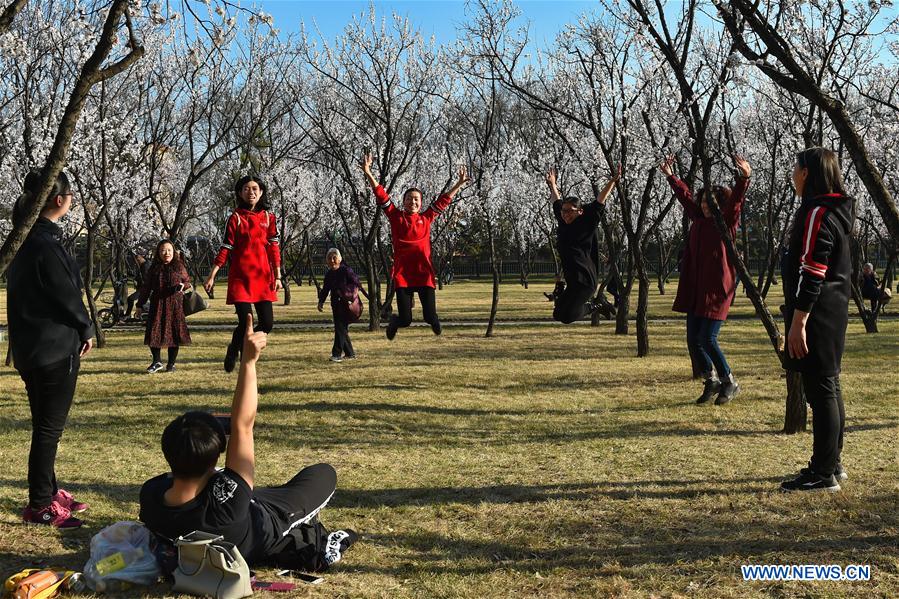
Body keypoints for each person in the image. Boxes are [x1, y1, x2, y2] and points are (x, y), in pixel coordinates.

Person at [139, 314, 356, 568]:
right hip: (268, 523)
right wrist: (249, 362)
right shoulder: (230, 502)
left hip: (243, 509)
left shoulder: (151, 496)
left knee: (260, 492)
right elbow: (243, 424)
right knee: (323, 473)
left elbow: (239, 427)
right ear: (215, 455)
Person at [7, 171, 94, 528]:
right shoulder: (45, 243)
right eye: (70, 194)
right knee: (48, 429)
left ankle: (49, 489)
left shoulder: (27, 238)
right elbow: (66, 295)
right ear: (59, 200)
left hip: (32, 347)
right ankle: (40, 504)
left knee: (45, 424)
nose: (72, 199)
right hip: (52, 349)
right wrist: (86, 327)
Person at [780, 147, 853, 492]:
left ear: (806, 172)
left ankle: (823, 471)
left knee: (820, 389)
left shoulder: (817, 214)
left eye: (795, 168)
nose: (792, 174)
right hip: (833, 311)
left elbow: (812, 270)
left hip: (817, 313)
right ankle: (832, 463)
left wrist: (799, 321)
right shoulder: (836, 211)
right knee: (829, 384)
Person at [660, 154, 751, 405]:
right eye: (703, 204)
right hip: (696, 289)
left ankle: (729, 380)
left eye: (710, 204)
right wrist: (671, 176)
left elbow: (736, 203)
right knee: (693, 340)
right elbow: (686, 199)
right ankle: (711, 380)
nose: (704, 207)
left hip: (718, 289)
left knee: (707, 339)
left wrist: (744, 178)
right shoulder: (698, 221)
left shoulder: (726, 223)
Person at [359, 153, 469, 340]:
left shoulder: (426, 218)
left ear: (421, 203)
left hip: (424, 273)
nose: (413, 202)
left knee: (430, 317)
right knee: (406, 319)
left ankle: (434, 321)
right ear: (404, 202)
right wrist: (368, 172)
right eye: (409, 198)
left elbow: (443, 201)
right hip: (403, 274)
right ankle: (394, 322)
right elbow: (381, 195)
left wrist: (458, 184)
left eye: (417, 199)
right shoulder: (396, 217)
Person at [204, 175, 282, 372]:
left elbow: (274, 247)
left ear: (261, 192)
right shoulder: (235, 218)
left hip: (263, 277)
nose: (251, 192)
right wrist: (213, 274)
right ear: (240, 193)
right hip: (241, 278)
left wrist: (278, 275)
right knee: (245, 321)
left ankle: (242, 346)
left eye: (255, 188)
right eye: (246, 189)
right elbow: (226, 247)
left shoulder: (268, 217)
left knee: (268, 323)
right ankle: (235, 350)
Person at [544, 165, 619, 324]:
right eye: (564, 211)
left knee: (568, 316)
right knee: (558, 315)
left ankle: (598, 304)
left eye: (570, 211)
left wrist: (612, 180)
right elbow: (556, 200)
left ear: (580, 211)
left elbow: (600, 200)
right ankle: (594, 303)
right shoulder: (563, 220)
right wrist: (552, 184)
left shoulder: (587, 222)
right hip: (572, 281)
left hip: (585, 281)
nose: (565, 214)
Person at [136, 240, 192, 373]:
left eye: (169, 250)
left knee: (174, 333)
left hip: (175, 305)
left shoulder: (179, 266)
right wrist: (139, 304)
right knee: (154, 332)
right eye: (163, 250)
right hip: (158, 304)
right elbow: (146, 287)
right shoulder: (154, 268)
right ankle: (156, 361)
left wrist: (184, 286)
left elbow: (187, 282)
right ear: (158, 252)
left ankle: (171, 364)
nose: (166, 253)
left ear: (173, 252)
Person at [317, 248, 361, 362]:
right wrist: (321, 301)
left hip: (347, 304)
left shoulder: (346, 270)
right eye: (329, 258)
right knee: (341, 328)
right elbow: (325, 289)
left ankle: (336, 354)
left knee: (340, 328)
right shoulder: (329, 274)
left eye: (334, 257)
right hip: (335, 304)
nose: (332, 260)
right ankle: (350, 353)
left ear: (339, 258)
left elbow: (356, 282)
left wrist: (347, 291)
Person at [125, 251, 151, 318]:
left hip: (144, 288)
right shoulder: (144, 265)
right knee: (139, 303)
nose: (137, 261)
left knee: (130, 299)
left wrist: (135, 279)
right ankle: (140, 316)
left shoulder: (146, 265)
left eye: (138, 258)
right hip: (143, 288)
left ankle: (127, 315)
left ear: (142, 257)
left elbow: (144, 278)